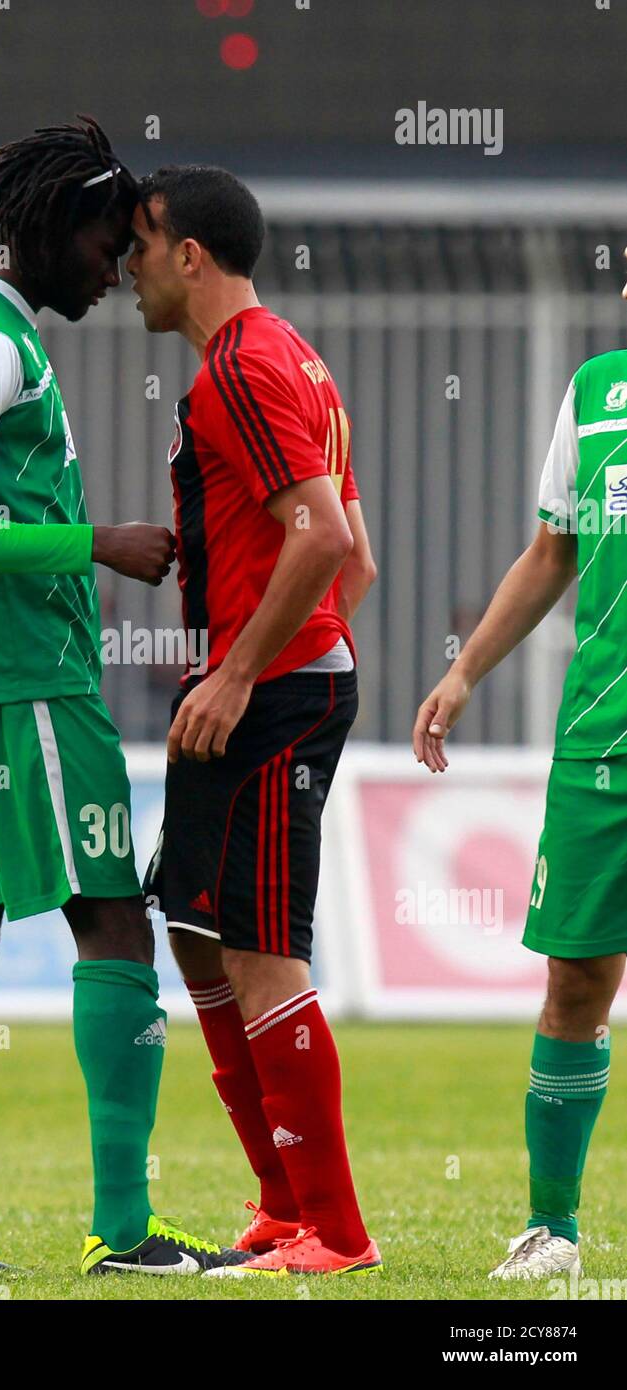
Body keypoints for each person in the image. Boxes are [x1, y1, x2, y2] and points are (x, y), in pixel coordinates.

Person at [0, 120, 249, 1278]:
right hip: (27, 681)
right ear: (50, 228)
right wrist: (99, 544)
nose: (115, 266)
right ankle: (125, 1229)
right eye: (103, 240)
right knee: (116, 920)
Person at [128, 164, 380, 1277]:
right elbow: (357, 557)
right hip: (264, 685)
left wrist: (243, 673)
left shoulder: (240, 367)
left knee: (264, 952)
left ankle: (337, 1232)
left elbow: (320, 539)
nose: (125, 264)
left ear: (189, 254)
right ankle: (283, 1205)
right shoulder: (294, 362)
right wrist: (288, 651)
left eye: (139, 242)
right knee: (197, 934)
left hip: (264, 697)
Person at [414, 260, 627, 1280]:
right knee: (575, 982)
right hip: (601, 742)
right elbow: (554, 550)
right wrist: (462, 674)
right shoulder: (592, 394)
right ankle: (554, 1230)